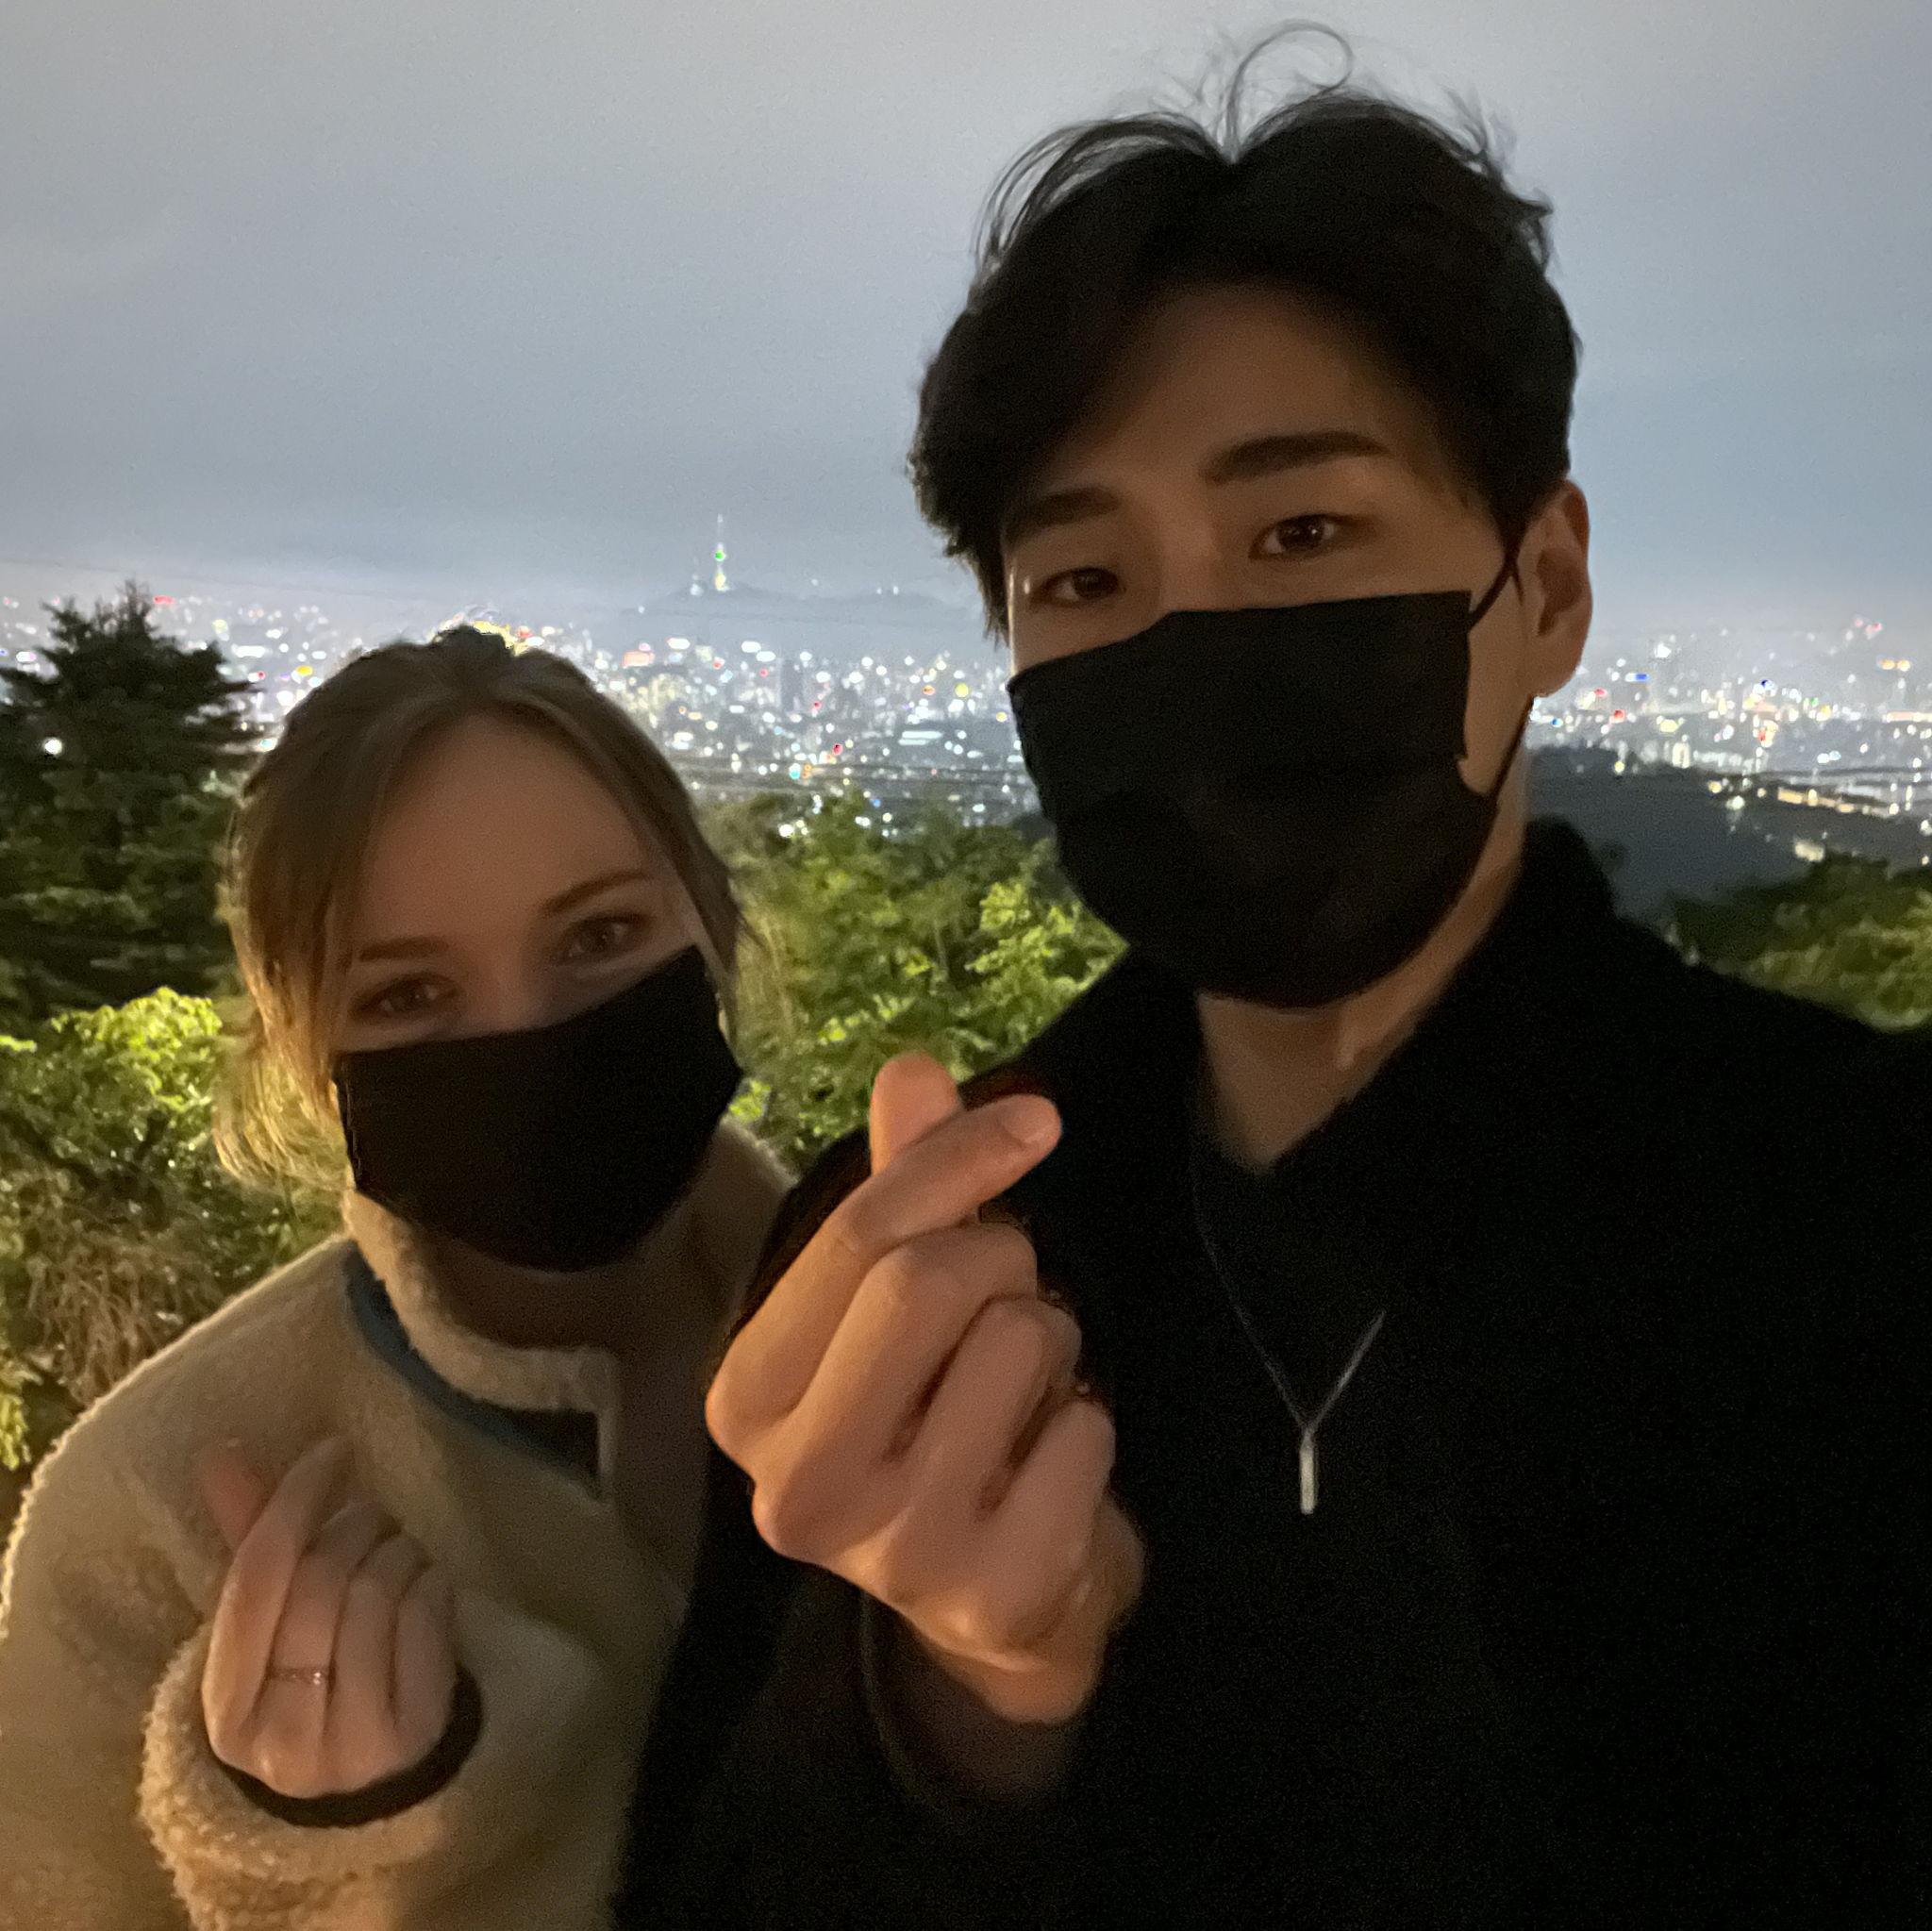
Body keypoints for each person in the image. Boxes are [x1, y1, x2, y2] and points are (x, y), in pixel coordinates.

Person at [619, 43, 1932, 1930]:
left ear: (1548, 589)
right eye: (1084, 581)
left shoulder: (1854, 1212)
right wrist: (956, 1709)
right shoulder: (922, 1273)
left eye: (1302, 534)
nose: (1195, 641)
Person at [0, 625, 790, 1930]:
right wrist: (319, 1851)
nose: (529, 1034)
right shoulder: (143, 1515)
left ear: (714, 925)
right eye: (411, 994)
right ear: (307, 1056)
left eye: (600, 934)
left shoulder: (932, 1334)